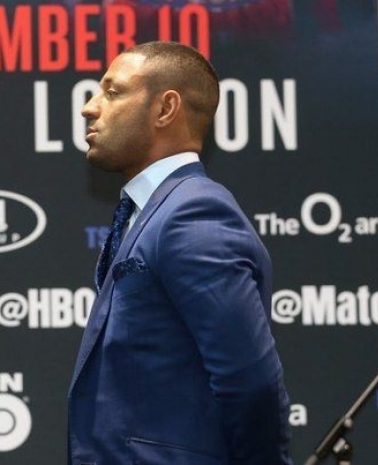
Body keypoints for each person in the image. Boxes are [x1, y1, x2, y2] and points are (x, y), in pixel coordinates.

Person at [67, 41, 293, 464]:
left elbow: (251, 382)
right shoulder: (151, 211)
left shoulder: (192, 212)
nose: (90, 107)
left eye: (113, 92)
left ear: (165, 109)